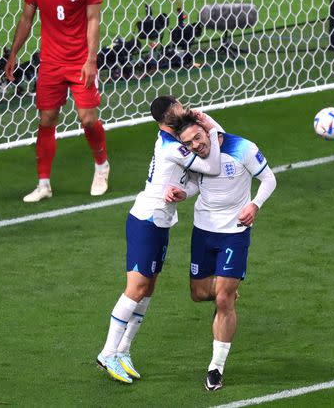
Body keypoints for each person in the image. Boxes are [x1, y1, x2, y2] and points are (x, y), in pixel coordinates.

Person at [95, 96, 223, 384]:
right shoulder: (173, 147)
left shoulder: (173, 142)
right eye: (179, 107)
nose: (184, 109)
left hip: (160, 222)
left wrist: (182, 192)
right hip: (147, 220)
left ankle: (124, 350)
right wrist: (212, 130)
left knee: (148, 288)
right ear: (169, 117)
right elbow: (212, 168)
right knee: (136, 289)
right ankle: (107, 352)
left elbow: (193, 183)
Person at [165, 109, 276, 391]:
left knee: (224, 300)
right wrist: (182, 193)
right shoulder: (194, 156)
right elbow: (194, 184)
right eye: (188, 143)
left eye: (198, 139)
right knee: (199, 293)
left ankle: (216, 368)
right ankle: (228, 286)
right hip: (203, 229)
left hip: (234, 232)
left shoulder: (243, 147)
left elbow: (269, 179)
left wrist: (255, 205)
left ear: (208, 129)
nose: (195, 147)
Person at [5, 0, 109, 202]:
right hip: (51, 63)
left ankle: (101, 166)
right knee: (47, 119)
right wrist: (14, 53)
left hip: (79, 62)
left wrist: (91, 60)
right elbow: (26, 19)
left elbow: (93, 20)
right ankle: (43, 184)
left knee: (87, 119)